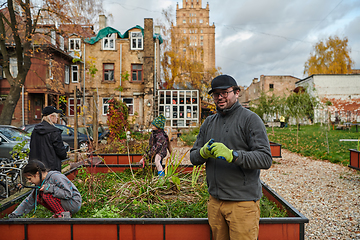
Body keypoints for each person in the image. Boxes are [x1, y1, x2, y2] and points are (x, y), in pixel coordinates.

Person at [190, 75, 273, 240]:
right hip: (215, 202)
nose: (220, 97)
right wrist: (203, 153)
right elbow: (193, 157)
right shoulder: (209, 123)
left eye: (225, 92)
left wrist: (233, 155)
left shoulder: (250, 120)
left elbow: (265, 158)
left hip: (242, 204)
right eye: (216, 94)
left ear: (236, 93)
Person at [8, 160, 82, 218]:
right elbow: (30, 200)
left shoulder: (56, 177)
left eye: (30, 179)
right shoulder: (41, 183)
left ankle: (63, 215)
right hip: (66, 203)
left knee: (45, 194)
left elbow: (68, 193)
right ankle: (59, 213)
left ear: (37, 174)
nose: (29, 182)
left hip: (73, 203)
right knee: (37, 196)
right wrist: (15, 214)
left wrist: (50, 188)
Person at [29, 106, 68, 172]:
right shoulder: (54, 131)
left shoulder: (35, 130)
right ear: (51, 117)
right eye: (56, 116)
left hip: (37, 166)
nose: (57, 117)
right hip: (51, 167)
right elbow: (60, 150)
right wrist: (65, 154)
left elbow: (32, 146)